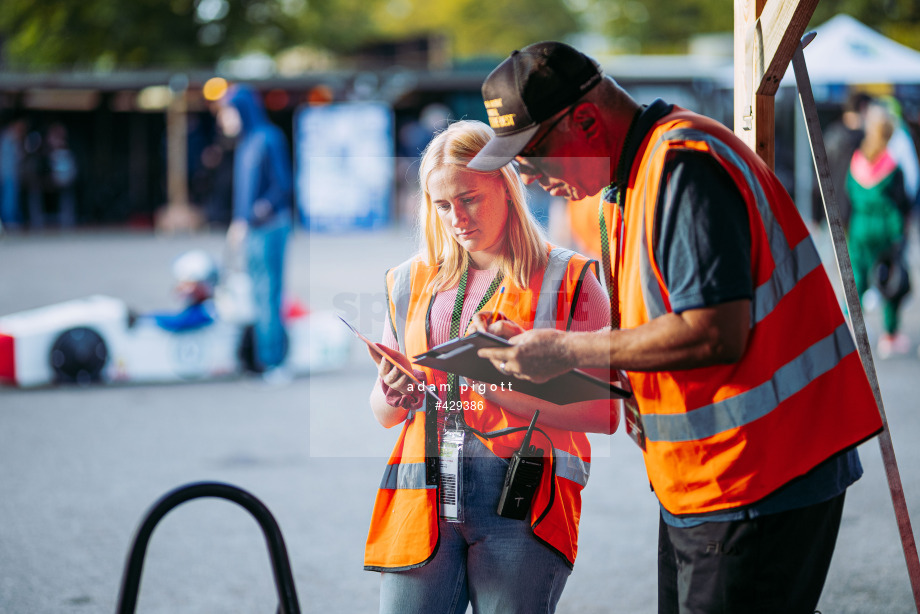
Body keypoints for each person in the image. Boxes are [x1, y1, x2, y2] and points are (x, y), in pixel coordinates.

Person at [467, 41, 883, 614]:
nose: (531, 180)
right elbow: (653, 333)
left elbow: (714, 332)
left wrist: (566, 349)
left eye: (533, 156)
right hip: (716, 478)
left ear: (585, 119)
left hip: (759, 476)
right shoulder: (631, 183)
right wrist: (540, 346)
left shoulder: (682, 165)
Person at [364, 119, 617, 614]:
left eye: (469, 198)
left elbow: (607, 412)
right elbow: (383, 412)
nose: (456, 217)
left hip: (523, 502)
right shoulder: (408, 280)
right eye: (441, 205)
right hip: (423, 498)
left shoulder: (571, 278)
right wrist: (394, 392)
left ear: (506, 185)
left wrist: (497, 386)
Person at [217, 85, 293, 383]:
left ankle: (274, 362)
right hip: (252, 229)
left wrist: (252, 216)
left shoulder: (268, 139)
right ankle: (263, 358)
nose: (223, 119)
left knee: (268, 293)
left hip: (271, 227)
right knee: (255, 292)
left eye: (227, 111)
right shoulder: (246, 142)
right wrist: (240, 221)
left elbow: (283, 186)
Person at [846, 101, 912, 359]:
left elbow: (846, 195)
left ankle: (850, 326)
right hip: (887, 231)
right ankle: (890, 335)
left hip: (860, 228)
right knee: (890, 281)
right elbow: (902, 201)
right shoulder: (892, 166)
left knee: (856, 280)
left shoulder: (856, 161)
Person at [810, 91, 873, 229]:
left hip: (833, 212)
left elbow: (817, 179)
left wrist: (816, 215)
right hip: (858, 213)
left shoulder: (831, 135)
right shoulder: (866, 141)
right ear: (863, 108)